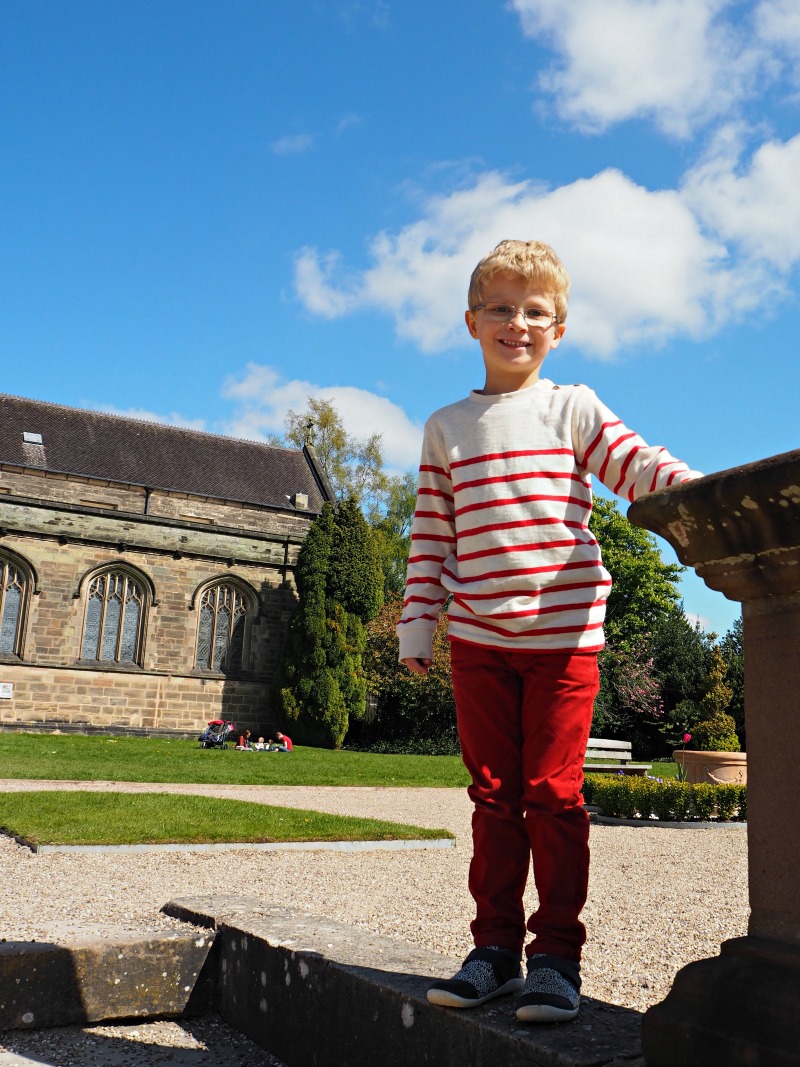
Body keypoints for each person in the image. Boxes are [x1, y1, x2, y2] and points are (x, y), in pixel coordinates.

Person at [397, 239, 701, 1024]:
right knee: (494, 797)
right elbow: (432, 533)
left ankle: (556, 960)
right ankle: (494, 950)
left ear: (558, 328)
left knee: (553, 796)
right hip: (480, 642)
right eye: (500, 307)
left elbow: (637, 466)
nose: (517, 322)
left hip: (565, 637)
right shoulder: (447, 427)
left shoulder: (573, 408)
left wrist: (701, 492)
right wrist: (417, 625)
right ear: (472, 321)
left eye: (536, 311)